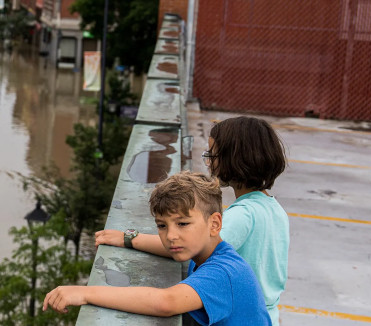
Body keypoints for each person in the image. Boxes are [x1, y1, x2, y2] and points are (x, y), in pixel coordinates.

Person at [94, 116, 289, 324]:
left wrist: (128, 239)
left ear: (235, 158)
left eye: (212, 155)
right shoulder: (274, 209)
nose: (208, 162)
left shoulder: (244, 215)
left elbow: (186, 245)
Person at [44, 172, 271, 325]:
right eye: (162, 226)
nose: (171, 236)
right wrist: (128, 238)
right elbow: (170, 248)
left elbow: (166, 303)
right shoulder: (205, 251)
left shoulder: (223, 273)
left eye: (182, 224)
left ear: (214, 224)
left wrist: (85, 293)